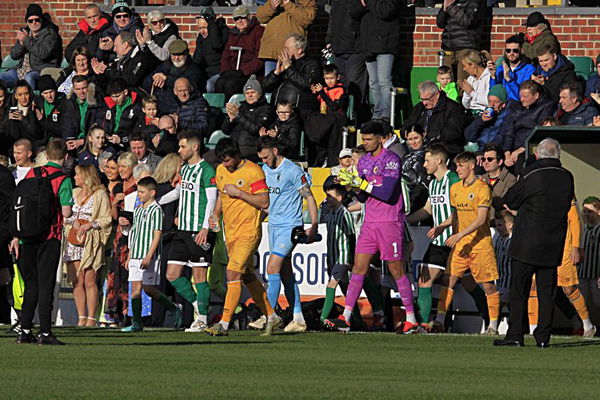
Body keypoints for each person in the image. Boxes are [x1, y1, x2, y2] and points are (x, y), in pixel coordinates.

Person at [325, 121, 417, 333]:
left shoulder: (391, 160)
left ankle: (411, 318)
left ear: (380, 139)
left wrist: (361, 184)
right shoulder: (364, 162)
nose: (365, 143)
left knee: (396, 269)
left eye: (368, 139)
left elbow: (386, 192)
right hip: (370, 222)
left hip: (389, 221)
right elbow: (363, 197)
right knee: (359, 267)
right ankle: (346, 316)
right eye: (363, 139)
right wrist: (350, 186)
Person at [494, 138, 574, 348]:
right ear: (558, 155)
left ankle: (515, 335)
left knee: (519, 291)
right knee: (547, 293)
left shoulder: (532, 175)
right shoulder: (567, 176)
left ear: (537, 155)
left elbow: (510, 200)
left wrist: (523, 172)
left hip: (527, 243)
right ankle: (543, 337)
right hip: (553, 242)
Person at [203, 138, 281, 336]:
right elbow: (222, 196)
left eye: (228, 160)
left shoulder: (253, 171)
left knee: (232, 273)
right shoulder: (221, 170)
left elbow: (264, 202)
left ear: (237, 155)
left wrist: (239, 192)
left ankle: (224, 324)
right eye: (223, 161)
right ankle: (272, 317)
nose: (226, 165)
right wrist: (215, 215)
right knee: (245, 275)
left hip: (248, 231)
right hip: (230, 232)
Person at [428, 151, 501, 335]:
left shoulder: (482, 188)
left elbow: (481, 219)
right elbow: (457, 214)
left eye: (461, 165)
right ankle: (439, 321)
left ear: (471, 166)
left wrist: (459, 234)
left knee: (487, 285)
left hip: (480, 244)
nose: (457, 169)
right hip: (461, 245)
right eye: (456, 165)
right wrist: (442, 226)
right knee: (449, 279)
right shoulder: (455, 189)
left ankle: (493, 325)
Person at [12, 138, 73, 345]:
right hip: (49, 237)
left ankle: (25, 330)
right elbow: (66, 211)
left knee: (30, 285)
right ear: (65, 157)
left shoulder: (32, 173)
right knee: (46, 285)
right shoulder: (63, 178)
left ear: (46, 155)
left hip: (26, 237)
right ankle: (45, 333)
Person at [257, 136, 318, 333]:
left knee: (272, 267)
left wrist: (314, 225)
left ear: (275, 150)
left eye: (266, 157)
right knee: (285, 273)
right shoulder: (265, 170)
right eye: (262, 159)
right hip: (273, 226)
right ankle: (298, 318)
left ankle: (268, 315)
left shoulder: (292, 170)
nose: (264, 162)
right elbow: (268, 202)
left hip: (291, 226)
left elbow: (309, 197)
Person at [159, 132, 216, 332]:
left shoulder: (207, 170)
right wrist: (156, 202)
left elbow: (212, 200)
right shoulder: (186, 170)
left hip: (198, 230)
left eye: (182, 147)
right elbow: (178, 192)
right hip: (182, 230)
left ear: (195, 147)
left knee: (199, 275)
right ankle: (196, 305)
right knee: (172, 274)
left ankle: (202, 320)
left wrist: (206, 228)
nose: (179, 150)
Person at [407, 143, 460, 330]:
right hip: (439, 240)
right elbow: (427, 210)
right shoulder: (433, 183)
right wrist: (404, 220)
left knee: (470, 285)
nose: (424, 165)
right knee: (424, 278)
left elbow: (461, 210)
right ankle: (423, 323)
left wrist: (443, 225)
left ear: (439, 160)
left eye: (427, 160)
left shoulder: (453, 179)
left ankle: (490, 320)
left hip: (456, 239)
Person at [121, 176, 182, 332]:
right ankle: (136, 323)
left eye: (142, 192)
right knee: (135, 288)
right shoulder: (138, 209)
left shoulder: (156, 210)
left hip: (149, 255)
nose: (139, 194)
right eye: (138, 191)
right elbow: (134, 234)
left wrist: (149, 256)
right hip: (135, 255)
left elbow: (156, 235)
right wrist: (129, 254)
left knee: (148, 289)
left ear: (152, 193)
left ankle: (173, 308)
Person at [63, 164, 112, 327]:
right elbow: (65, 214)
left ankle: (91, 318)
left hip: (90, 241)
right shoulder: (74, 193)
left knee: (89, 279)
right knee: (77, 280)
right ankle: (81, 317)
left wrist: (90, 225)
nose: (74, 178)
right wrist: (73, 221)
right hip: (73, 239)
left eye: (77, 175)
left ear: (85, 176)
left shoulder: (100, 194)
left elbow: (106, 219)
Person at [349, 0, 400, 121]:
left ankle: (387, 113)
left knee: (384, 80)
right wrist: (363, 5)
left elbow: (386, 11)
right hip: (368, 44)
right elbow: (353, 12)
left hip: (386, 44)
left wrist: (368, 2)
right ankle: (377, 112)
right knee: (373, 82)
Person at [106, 152, 137, 326]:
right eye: (120, 166)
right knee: (116, 273)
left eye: (124, 166)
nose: (121, 170)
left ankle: (129, 313)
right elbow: (114, 216)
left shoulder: (138, 186)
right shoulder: (118, 188)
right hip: (120, 234)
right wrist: (115, 203)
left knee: (128, 274)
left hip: (133, 234)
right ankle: (116, 313)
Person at [0, 4, 62, 89]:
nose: (34, 23)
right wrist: (21, 45)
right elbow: (14, 56)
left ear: (42, 20)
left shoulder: (50, 34)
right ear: (27, 22)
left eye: (37, 20)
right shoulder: (26, 33)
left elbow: (43, 54)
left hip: (41, 71)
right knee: (1, 78)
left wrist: (26, 40)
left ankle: (32, 102)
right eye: (30, 21)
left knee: (29, 78)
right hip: (21, 71)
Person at [262, 33, 322, 120]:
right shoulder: (286, 64)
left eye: (287, 48)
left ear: (299, 50)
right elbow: (265, 87)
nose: (284, 51)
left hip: (297, 114)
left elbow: (307, 83)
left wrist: (288, 68)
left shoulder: (312, 64)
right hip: (277, 112)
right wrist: (276, 73)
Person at [400, 80, 467, 157]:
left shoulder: (454, 108)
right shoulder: (419, 107)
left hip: (442, 150)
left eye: (427, 99)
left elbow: (452, 133)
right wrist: (407, 133)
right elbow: (407, 126)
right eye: (422, 99)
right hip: (417, 149)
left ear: (437, 94)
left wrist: (425, 136)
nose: (424, 103)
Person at [501, 80, 555, 171]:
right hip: (513, 148)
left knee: (521, 159)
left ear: (536, 95)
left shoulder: (547, 106)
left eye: (525, 96)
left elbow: (539, 130)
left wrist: (521, 149)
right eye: (520, 96)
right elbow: (509, 132)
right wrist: (507, 153)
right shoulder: (516, 108)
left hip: (530, 147)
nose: (521, 99)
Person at [326, 0, 368, 116]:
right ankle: (342, 117)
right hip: (337, 47)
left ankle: (356, 118)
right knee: (340, 87)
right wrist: (329, 38)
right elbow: (332, 17)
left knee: (355, 87)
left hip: (356, 48)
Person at [215, 6, 265, 101]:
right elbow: (226, 55)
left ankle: (233, 110)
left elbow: (260, 58)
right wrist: (226, 71)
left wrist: (243, 71)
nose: (240, 21)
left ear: (249, 17)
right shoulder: (233, 34)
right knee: (219, 83)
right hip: (233, 72)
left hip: (249, 73)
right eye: (236, 19)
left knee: (231, 85)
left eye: (242, 17)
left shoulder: (259, 31)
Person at [222, 75, 274, 161]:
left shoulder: (266, 109)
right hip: (233, 149)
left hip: (251, 150)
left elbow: (257, 129)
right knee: (208, 157)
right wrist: (230, 120)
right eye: (247, 93)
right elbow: (225, 130)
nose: (250, 95)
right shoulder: (240, 108)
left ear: (260, 93)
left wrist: (238, 115)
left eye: (253, 92)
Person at [257, 0, 316, 76]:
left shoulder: (306, 1)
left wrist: (288, 4)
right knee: (269, 84)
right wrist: (271, 7)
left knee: (291, 84)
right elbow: (261, 18)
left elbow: (307, 20)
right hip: (271, 53)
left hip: (292, 54)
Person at [306, 63, 349, 167]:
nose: (329, 81)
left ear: (337, 77)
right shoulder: (323, 89)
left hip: (335, 117)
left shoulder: (340, 89)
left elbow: (334, 106)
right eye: (326, 78)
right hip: (324, 117)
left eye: (331, 78)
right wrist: (315, 94)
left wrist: (322, 93)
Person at [93, 31, 157, 93]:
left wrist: (108, 71)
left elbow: (132, 79)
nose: (114, 49)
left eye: (116, 46)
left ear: (125, 45)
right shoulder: (119, 62)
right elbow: (108, 84)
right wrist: (100, 73)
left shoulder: (141, 57)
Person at [436, 0, 483, 84]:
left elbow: (468, 21)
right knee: (446, 82)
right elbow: (440, 23)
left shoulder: (474, 2)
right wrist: (444, 8)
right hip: (448, 47)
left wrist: (450, 7)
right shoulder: (451, 1)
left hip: (466, 46)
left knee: (462, 83)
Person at [96, 78, 142, 149]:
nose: (115, 99)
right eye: (112, 96)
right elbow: (102, 124)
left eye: (117, 96)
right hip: (108, 143)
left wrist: (121, 139)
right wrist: (105, 135)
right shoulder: (108, 105)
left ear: (125, 92)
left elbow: (138, 133)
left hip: (127, 146)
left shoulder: (137, 108)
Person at [464, 85, 514, 151]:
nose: (492, 104)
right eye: (489, 101)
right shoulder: (485, 114)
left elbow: (502, 137)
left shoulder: (508, 116)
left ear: (503, 104)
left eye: (495, 102)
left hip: (496, 151)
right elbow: (469, 136)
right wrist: (481, 120)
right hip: (481, 150)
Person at [489, 35, 536, 102]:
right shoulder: (501, 68)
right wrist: (493, 77)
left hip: (519, 108)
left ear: (522, 50)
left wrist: (509, 79)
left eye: (515, 50)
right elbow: (493, 95)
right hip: (502, 107)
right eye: (508, 50)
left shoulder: (529, 69)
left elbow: (523, 97)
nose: (511, 53)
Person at [61, 75, 102, 150]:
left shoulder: (97, 102)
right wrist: (68, 141)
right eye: (78, 89)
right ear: (74, 90)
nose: (81, 92)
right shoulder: (70, 103)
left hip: (91, 142)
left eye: (84, 88)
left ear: (88, 88)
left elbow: (99, 127)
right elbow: (67, 125)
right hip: (74, 141)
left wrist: (83, 141)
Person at [193, 7, 229, 93]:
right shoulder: (201, 39)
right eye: (200, 28)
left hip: (220, 72)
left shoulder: (222, 32)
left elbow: (217, 44)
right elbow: (197, 60)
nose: (202, 31)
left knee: (209, 84)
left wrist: (212, 26)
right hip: (206, 73)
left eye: (205, 28)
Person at [5, 80, 43, 152]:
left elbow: (37, 133)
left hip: (32, 145)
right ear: (15, 96)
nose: (23, 98)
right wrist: (8, 121)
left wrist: (23, 119)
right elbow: (7, 135)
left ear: (30, 94)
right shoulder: (10, 109)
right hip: (15, 145)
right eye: (20, 95)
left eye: (26, 94)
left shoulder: (35, 108)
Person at [480, 143, 516, 217]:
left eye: (490, 159)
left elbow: (503, 203)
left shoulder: (510, 179)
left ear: (500, 162)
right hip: (483, 224)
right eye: (483, 159)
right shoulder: (481, 178)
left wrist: (486, 188)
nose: (485, 162)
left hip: (501, 224)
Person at [579, 196, 600, 323]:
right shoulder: (583, 229)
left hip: (596, 274)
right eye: (585, 211)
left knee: (598, 301)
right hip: (582, 273)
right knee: (581, 302)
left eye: (590, 211)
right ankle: (581, 327)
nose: (586, 214)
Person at [401, 125, 429, 212]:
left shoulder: (428, 154)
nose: (413, 142)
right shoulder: (406, 156)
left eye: (416, 138)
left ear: (423, 135)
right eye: (410, 139)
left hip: (422, 198)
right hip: (407, 197)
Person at [34, 75, 66, 142]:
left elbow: (61, 129)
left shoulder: (64, 103)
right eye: (45, 93)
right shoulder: (38, 103)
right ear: (41, 94)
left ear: (55, 91)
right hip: (42, 139)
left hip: (58, 140)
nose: (49, 96)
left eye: (51, 92)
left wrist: (42, 121)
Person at [493, 210, 513, 312]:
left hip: (510, 280)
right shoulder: (498, 238)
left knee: (498, 305)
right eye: (497, 225)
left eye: (500, 225)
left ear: (509, 225)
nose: (498, 228)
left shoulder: (514, 240)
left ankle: (492, 325)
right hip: (501, 280)